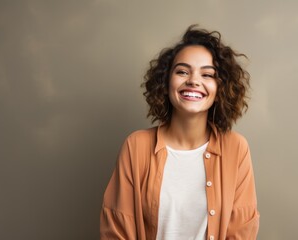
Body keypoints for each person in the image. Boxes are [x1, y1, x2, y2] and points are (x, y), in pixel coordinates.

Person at [100, 25, 259, 240]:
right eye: (182, 71)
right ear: (165, 83)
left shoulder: (236, 148)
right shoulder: (136, 146)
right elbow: (118, 229)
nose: (194, 80)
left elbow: (241, 231)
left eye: (207, 74)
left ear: (220, 88)